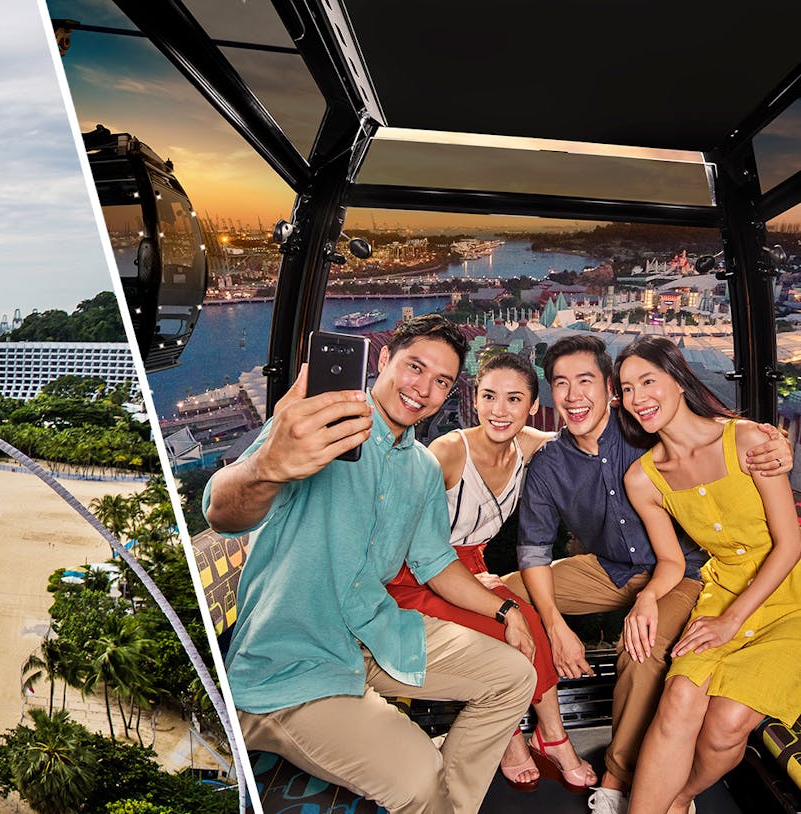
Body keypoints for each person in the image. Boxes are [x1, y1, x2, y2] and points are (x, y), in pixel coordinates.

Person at [204, 315, 537, 814]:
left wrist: (506, 613)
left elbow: (436, 561)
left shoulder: (422, 467)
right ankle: (434, 794)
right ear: (383, 360)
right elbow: (221, 512)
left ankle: (449, 804)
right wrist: (267, 467)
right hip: (292, 662)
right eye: (414, 367)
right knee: (422, 776)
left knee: (516, 677)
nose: (423, 389)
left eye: (442, 381)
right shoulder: (320, 427)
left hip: (374, 634)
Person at [504, 334, 793, 814]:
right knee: (493, 597)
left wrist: (774, 442)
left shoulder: (641, 426)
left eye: (586, 381)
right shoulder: (549, 464)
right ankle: (526, 733)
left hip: (678, 571)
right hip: (609, 568)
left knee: (643, 648)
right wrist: (555, 627)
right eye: (561, 384)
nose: (574, 396)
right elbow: (533, 550)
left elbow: (710, 437)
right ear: (549, 395)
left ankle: (618, 777)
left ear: (607, 389)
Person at [386, 352, 596, 793]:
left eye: (514, 399)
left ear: (532, 405)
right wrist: (457, 573)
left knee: (528, 620)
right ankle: (533, 737)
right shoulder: (446, 453)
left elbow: (593, 432)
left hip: (473, 565)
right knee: (513, 625)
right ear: (474, 402)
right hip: (416, 572)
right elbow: (396, 531)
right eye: (488, 397)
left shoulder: (532, 446)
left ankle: (532, 734)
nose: (500, 411)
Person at [614, 336, 801, 814]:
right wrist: (646, 599)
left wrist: (731, 622)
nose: (637, 398)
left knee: (726, 723)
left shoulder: (750, 440)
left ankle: (679, 798)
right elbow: (672, 562)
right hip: (723, 593)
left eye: (648, 381)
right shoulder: (643, 479)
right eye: (627, 389)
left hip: (790, 596)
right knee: (678, 697)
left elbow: (790, 545)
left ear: (678, 380)